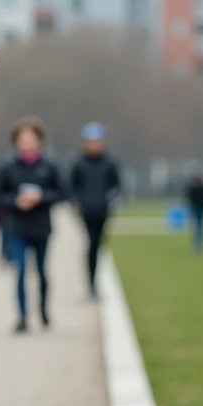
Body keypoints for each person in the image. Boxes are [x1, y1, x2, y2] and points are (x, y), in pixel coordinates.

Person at [0, 117, 64, 333]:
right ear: (15, 142)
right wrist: (16, 201)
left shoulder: (49, 166)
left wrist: (40, 197)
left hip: (41, 226)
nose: (26, 143)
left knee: (41, 271)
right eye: (22, 139)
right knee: (21, 270)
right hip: (16, 226)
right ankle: (22, 316)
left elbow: (61, 193)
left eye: (31, 139)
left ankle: (43, 308)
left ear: (39, 140)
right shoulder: (7, 167)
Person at [69, 122, 121, 299]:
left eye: (96, 141)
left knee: (98, 246)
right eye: (90, 141)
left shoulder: (109, 163)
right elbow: (72, 186)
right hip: (86, 211)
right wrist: (76, 203)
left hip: (102, 210)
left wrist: (111, 200)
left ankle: (94, 283)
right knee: (91, 245)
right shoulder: (80, 163)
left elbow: (116, 186)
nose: (93, 144)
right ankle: (91, 285)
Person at [186, 172, 203, 253]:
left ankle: (199, 242)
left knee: (199, 226)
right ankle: (199, 242)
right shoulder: (197, 189)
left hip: (200, 208)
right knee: (199, 226)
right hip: (197, 208)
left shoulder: (199, 189)